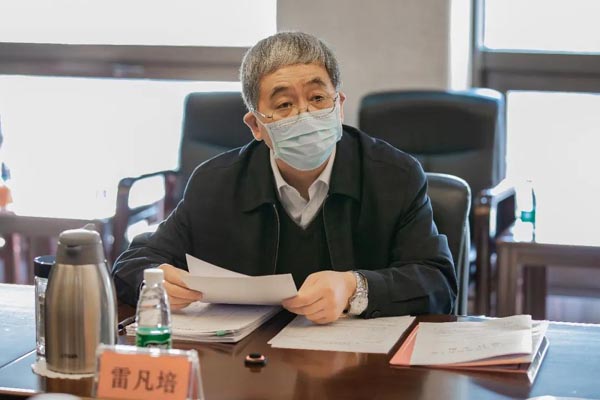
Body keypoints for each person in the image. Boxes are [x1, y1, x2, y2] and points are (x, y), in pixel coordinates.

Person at [112, 32, 456, 324]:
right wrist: (154, 282)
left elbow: (437, 282)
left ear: (338, 106)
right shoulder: (216, 183)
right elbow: (135, 261)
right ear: (256, 125)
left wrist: (355, 288)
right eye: (284, 104)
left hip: (361, 364)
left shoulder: (394, 176)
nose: (304, 113)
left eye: (317, 98)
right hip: (249, 363)